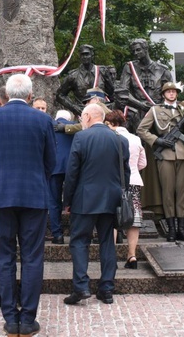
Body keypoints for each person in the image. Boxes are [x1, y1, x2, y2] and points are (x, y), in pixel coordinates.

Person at [0, 74, 56, 337]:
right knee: (33, 258)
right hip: (34, 194)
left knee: (5, 257)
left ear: (6, 94)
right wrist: (36, 179)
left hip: (1, 195)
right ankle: (28, 318)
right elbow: (51, 162)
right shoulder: (44, 119)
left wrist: (0, 179)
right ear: (30, 96)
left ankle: (11, 319)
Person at [63, 104, 129, 306]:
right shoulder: (120, 140)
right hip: (111, 198)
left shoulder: (81, 137)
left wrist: (67, 200)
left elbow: (72, 172)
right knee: (107, 242)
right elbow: (125, 173)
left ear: (88, 116)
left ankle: (81, 286)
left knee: (79, 241)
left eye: (82, 117)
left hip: (85, 198)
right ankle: (107, 288)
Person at [136, 82, 184, 242]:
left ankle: (182, 229)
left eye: (174, 91)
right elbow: (141, 129)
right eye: (168, 91)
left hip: (182, 155)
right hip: (165, 155)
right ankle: (171, 229)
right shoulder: (155, 110)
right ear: (163, 94)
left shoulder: (183, 110)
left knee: (181, 193)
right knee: (168, 193)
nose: (171, 94)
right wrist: (158, 141)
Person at [104, 109, 146, 268]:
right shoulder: (135, 139)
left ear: (111, 123)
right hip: (134, 181)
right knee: (133, 219)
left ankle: (111, 256)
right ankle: (132, 255)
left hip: (114, 181)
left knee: (113, 218)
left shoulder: (109, 138)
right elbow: (143, 163)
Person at [117, 38, 173, 131]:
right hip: (137, 113)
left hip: (159, 113)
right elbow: (123, 92)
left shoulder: (162, 70)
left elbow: (170, 93)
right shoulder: (129, 67)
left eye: (138, 50)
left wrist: (160, 107)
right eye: (134, 51)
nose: (135, 53)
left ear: (146, 49)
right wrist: (140, 104)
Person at [56, 45, 115, 116]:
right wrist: (75, 107)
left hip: (101, 113)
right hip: (82, 114)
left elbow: (111, 94)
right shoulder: (73, 75)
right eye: (82, 55)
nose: (84, 57)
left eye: (87, 54)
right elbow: (59, 95)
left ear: (92, 55)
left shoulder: (102, 72)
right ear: (79, 56)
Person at [49, 110, 75, 245]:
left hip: (54, 167)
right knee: (75, 201)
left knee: (53, 202)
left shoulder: (50, 126)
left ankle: (57, 234)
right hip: (72, 167)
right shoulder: (76, 126)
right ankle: (75, 233)